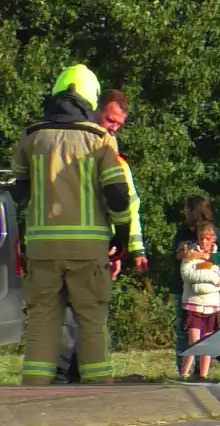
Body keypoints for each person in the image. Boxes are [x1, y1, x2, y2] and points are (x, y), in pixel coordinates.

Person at [10, 64, 133, 385]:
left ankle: (31, 397)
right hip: (88, 250)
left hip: (41, 249)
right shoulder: (101, 140)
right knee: (91, 322)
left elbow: (18, 192)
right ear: (90, 99)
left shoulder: (31, 136)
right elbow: (118, 196)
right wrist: (122, 237)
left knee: (41, 323)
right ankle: (97, 396)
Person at [54, 89, 149, 384]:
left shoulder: (113, 157)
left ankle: (74, 374)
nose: (113, 127)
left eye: (119, 124)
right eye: (110, 119)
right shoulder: (74, 147)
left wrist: (132, 250)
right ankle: (66, 374)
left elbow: (129, 205)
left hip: (98, 246)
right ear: (95, 111)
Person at [170, 195, 220, 373]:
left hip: (208, 297)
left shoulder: (212, 232)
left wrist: (207, 258)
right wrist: (181, 254)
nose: (184, 212)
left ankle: (201, 373)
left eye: (187, 208)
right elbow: (175, 256)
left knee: (206, 336)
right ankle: (182, 371)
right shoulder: (182, 231)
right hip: (185, 291)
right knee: (185, 334)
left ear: (194, 210)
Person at [178, 221, 220, 380]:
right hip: (193, 302)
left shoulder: (218, 256)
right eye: (202, 238)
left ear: (213, 238)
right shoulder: (191, 253)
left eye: (208, 238)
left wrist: (209, 276)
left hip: (211, 305)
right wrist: (210, 276)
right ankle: (184, 374)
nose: (204, 242)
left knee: (208, 342)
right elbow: (187, 274)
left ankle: (203, 375)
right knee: (194, 342)